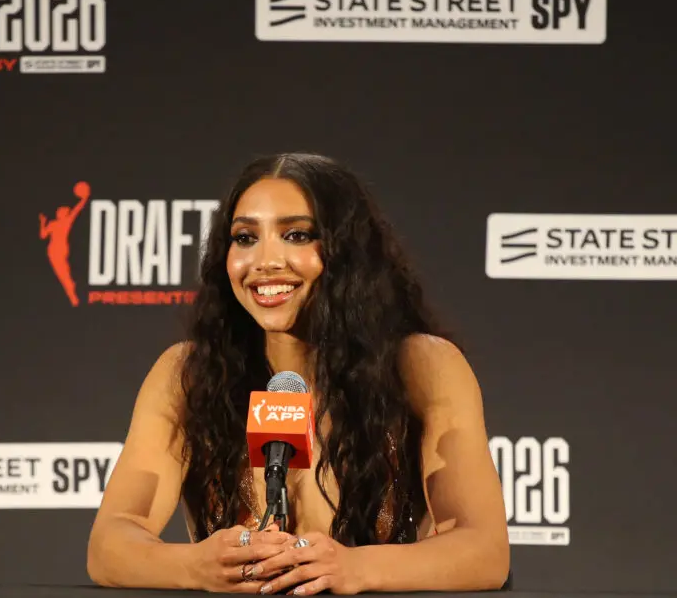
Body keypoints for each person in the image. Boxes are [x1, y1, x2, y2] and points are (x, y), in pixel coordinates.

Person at [87, 153, 510, 594]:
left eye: (296, 234)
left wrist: (353, 569)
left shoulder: (422, 367)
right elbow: (109, 545)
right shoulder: (188, 374)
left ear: (346, 251)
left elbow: (485, 552)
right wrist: (191, 566)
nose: (265, 260)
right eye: (245, 237)